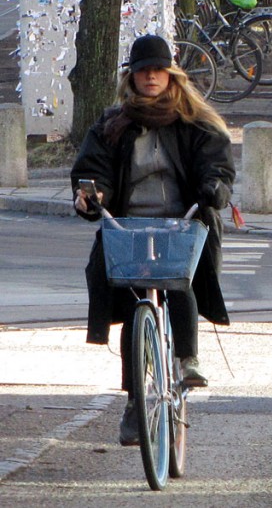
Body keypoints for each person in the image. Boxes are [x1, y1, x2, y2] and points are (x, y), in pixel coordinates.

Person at [71, 34, 235, 445]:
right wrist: (92, 196)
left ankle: (186, 360)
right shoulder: (112, 124)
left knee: (179, 280)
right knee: (132, 307)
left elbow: (217, 164)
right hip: (128, 225)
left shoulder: (196, 122)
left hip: (184, 220)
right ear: (132, 77)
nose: (150, 77)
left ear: (171, 76)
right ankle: (133, 402)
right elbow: (93, 169)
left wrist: (214, 189)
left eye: (158, 70)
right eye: (143, 70)